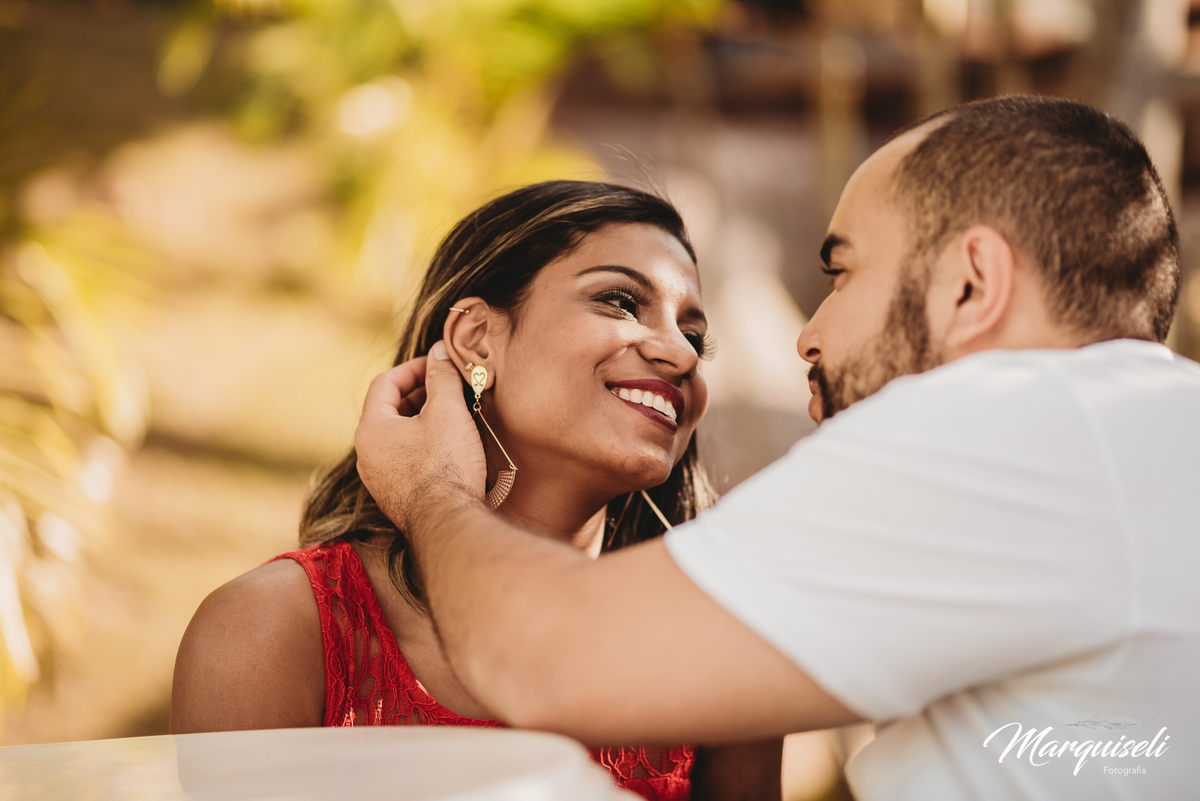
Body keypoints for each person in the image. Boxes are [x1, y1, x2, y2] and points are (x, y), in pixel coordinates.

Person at [351, 95, 1199, 800]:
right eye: (619, 301)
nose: (809, 335)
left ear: (971, 284)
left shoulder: (1014, 428)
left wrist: (432, 488)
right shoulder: (1133, 434)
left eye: (841, 273)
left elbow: (543, 657)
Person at [170, 180, 784, 801]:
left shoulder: (716, 654)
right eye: (621, 301)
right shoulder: (274, 630)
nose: (680, 354)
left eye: (696, 336)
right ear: (475, 339)